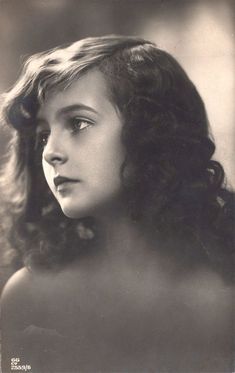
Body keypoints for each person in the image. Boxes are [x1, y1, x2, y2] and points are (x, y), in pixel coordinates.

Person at [0, 35, 234, 372]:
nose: (50, 152)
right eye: (42, 135)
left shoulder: (225, 295)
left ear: (149, 130)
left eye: (78, 123)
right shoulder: (28, 299)